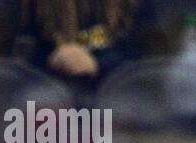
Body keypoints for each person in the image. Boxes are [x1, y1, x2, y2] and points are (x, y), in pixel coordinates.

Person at [14, 0, 165, 85]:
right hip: (51, 87)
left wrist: (97, 65)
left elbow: (144, 52)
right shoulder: (33, 5)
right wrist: (54, 58)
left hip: (115, 89)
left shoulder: (136, 4)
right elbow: (20, 52)